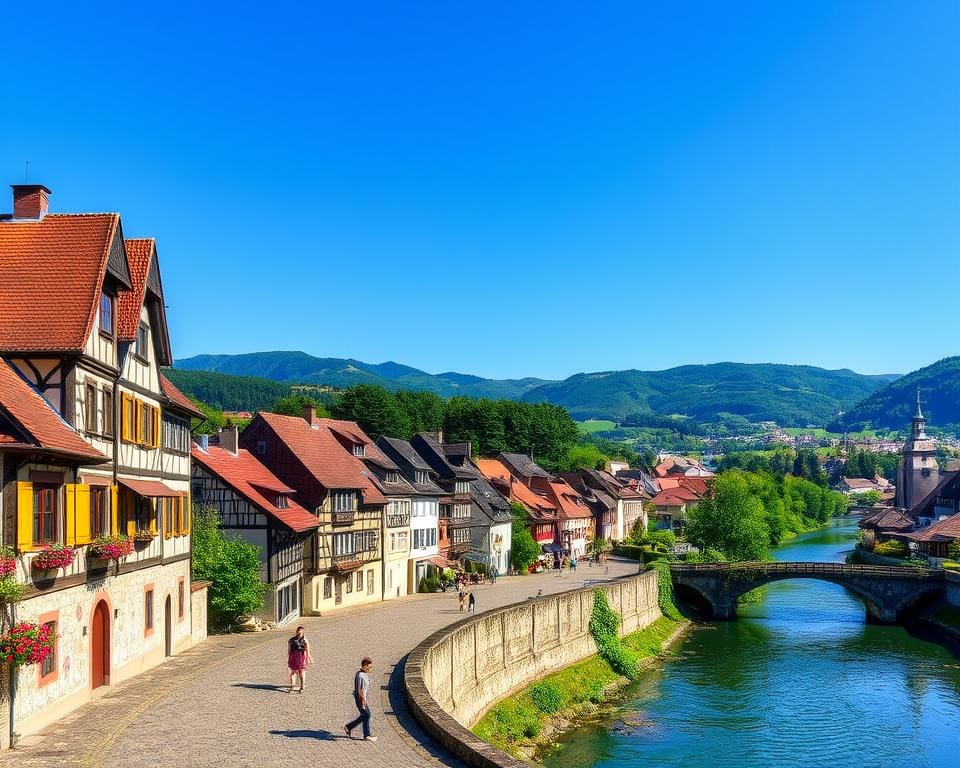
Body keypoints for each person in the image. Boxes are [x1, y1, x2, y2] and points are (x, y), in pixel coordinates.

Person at [345, 657, 376, 742]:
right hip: (360, 699)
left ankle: (348, 727)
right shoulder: (361, 676)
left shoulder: (361, 674)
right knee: (367, 714)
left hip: (362, 699)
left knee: (366, 715)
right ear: (365, 666)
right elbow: (360, 691)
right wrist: (362, 702)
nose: (371, 669)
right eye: (370, 667)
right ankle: (366, 735)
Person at [287, 626, 311, 693]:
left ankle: (292, 686)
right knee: (302, 671)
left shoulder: (291, 640)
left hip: (293, 657)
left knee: (293, 672)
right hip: (301, 657)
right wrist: (308, 658)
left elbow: (289, 650)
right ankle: (302, 686)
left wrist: (289, 658)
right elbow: (307, 649)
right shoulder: (305, 640)